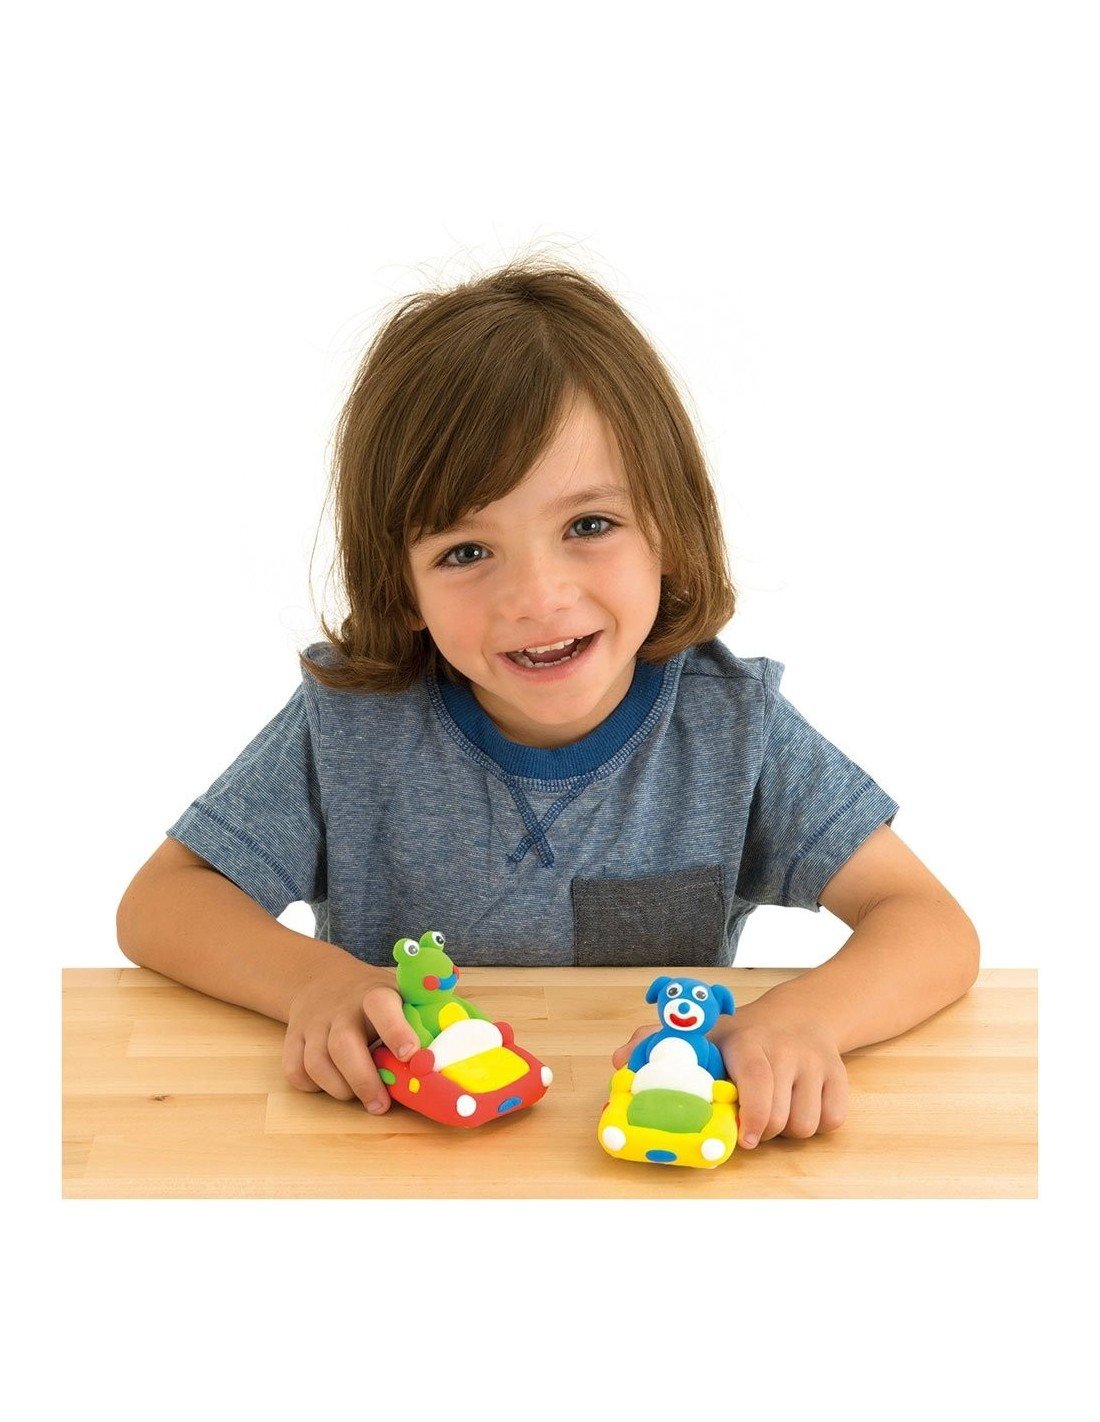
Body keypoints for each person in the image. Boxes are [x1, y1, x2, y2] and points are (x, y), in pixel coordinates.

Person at [116, 256, 980, 1150]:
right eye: (465, 552)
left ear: (669, 531)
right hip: (400, 1159)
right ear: (401, 587)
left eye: (588, 526)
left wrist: (806, 1017)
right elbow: (162, 901)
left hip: (651, 1168)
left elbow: (929, 923)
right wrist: (313, 982)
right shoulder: (352, 725)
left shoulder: (733, 728)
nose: (536, 596)